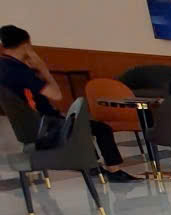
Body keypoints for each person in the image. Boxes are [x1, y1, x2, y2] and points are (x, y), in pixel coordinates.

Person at [0, 25, 139, 182]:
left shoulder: (4, 67)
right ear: (26, 45)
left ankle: (92, 166)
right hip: (48, 127)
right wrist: (43, 68)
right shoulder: (19, 71)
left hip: (32, 127)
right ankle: (113, 170)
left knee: (79, 123)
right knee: (101, 128)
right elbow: (56, 94)